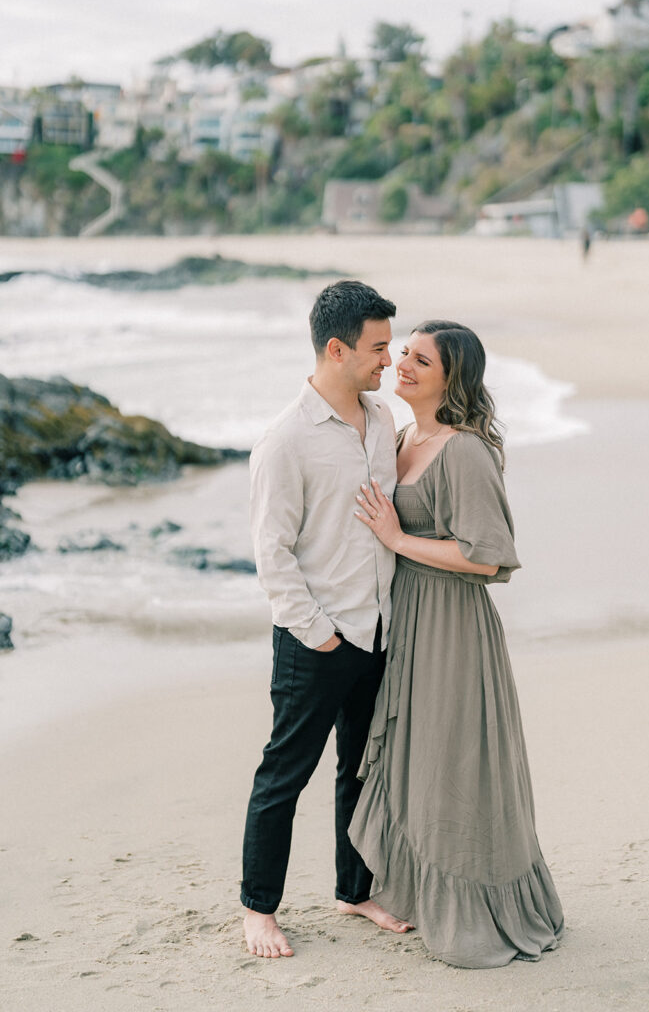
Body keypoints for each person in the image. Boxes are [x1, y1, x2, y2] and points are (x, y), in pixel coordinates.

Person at [349, 320, 564, 969]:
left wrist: (396, 539)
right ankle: (418, 892)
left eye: (421, 359)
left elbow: (487, 555)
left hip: (451, 627)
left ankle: (476, 908)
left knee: (452, 764)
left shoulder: (463, 451)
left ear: (452, 378)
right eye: (402, 353)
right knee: (419, 758)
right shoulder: (409, 434)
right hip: (410, 619)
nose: (403, 366)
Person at [241, 280, 414, 958]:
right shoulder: (285, 440)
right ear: (336, 350)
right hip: (316, 640)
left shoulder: (381, 423)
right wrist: (319, 633)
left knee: (359, 772)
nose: (387, 360)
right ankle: (258, 909)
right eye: (377, 349)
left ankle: (354, 889)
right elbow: (270, 552)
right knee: (284, 775)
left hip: (376, 632)